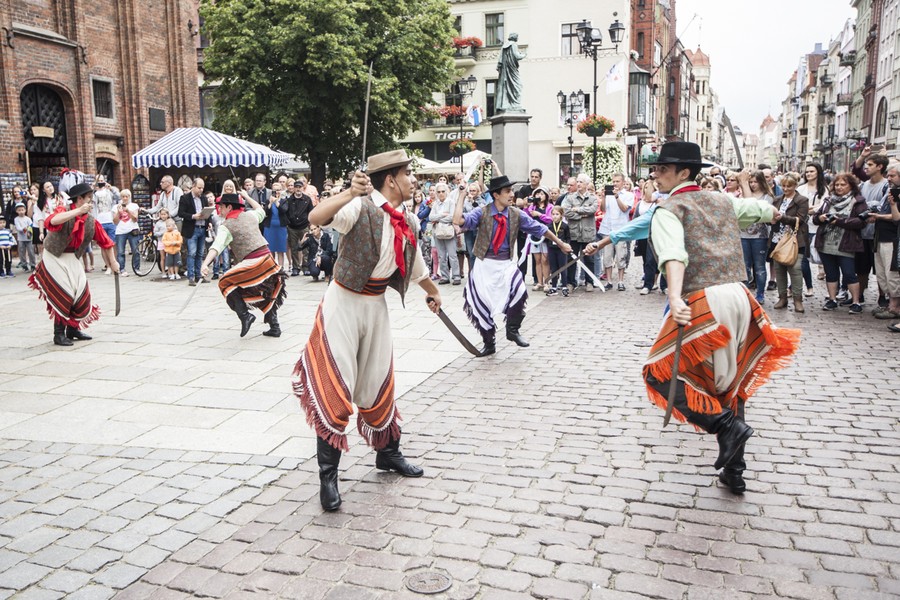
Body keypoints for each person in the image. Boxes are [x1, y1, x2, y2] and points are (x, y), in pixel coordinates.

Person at [641, 142, 799, 495]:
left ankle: (724, 425)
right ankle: (735, 469)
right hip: (740, 296)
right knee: (732, 383)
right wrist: (775, 213)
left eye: (663, 169)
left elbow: (674, 256)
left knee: (658, 373)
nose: (656, 173)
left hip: (705, 298)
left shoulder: (669, 210)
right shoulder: (723, 201)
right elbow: (761, 209)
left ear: (684, 173)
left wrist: (673, 296)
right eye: (657, 168)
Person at [292, 150, 442, 512]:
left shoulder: (407, 217)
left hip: (375, 306)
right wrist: (347, 192)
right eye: (408, 174)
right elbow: (316, 216)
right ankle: (328, 476)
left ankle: (387, 454)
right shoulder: (360, 206)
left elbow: (415, 263)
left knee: (378, 380)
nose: (413, 180)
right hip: (343, 303)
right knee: (338, 382)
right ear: (390, 179)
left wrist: (432, 292)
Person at [453, 173, 572, 356]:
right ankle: (489, 342)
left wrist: (561, 243)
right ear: (496, 195)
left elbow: (540, 228)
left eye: (512, 191)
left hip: (506, 264)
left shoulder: (516, 214)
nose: (511, 195)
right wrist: (461, 195)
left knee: (519, 291)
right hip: (484, 265)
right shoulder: (482, 212)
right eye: (508, 191)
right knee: (481, 305)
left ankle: (512, 329)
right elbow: (458, 221)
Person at [28, 182, 119, 346]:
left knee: (81, 292)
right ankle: (58, 334)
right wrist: (77, 211)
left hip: (71, 257)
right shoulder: (64, 210)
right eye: (88, 198)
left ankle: (72, 329)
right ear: (79, 199)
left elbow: (106, 242)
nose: (91, 202)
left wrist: (113, 263)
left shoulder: (90, 221)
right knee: (65, 292)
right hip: (54, 255)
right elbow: (52, 221)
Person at [201, 191, 287, 338]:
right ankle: (275, 326)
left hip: (254, 262)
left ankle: (245, 315)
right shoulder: (250, 216)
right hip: (267, 259)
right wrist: (247, 196)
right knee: (264, 291)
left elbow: (217, 246)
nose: (219, 209)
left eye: (221, 206)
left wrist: (205, 263)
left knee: (225, 282)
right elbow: (260, 209)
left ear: (229, 207)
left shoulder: (226, 226)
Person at [813, 173, 867, 314]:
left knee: (849, 273)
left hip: (847, 243)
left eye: (843, 184)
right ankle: (832, 299)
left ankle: (856, 301)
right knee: (831, 273)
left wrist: (839, 221)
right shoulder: (828, 200)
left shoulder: (857, 201)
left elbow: (861, 222)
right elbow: (815, 218)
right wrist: (821, 217)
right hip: (826, 242)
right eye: (837, 184)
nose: (839, 187)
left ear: (851, 186)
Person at [769, 174, 809, 313]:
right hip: (777, 238)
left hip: (795, 239)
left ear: (795, 185)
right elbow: (771, 217)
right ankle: (782, 297)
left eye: (789, 186)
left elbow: (800, 219)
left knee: (796, 269)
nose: (785, 188)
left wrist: (781, 218)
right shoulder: (777, 199)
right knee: (779, 269)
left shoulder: (802, 200)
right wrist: (770, 219)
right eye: (783, 186)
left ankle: (798, 299)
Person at [738, 170, 773, 303]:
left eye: (755, 182)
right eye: (750, 182)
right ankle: (745, 292)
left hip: (760, 235)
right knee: (745, 265)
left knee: (759, 266)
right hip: (744, 234)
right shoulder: (743, 195)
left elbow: (755, 209)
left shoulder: (767, 196)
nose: (753, 185)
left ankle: (760, 293)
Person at [561, 174, 598, 291]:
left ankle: (589, 282)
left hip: (588, 233)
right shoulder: (570, 198)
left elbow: (593, 210)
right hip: (574, 233)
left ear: (587, 184)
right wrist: (582, 215)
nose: (578, 184)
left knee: (589, 259)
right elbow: (565, 211)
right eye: (577, 181)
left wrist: (577, 209)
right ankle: (571, 282)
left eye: (581, 182)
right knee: (571, 258)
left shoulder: (592, 198)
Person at [598, 173, 634, 292]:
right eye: (613, 181)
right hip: (607, 228)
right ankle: (609, 281)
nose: (615, 184)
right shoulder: (608, 195)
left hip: (621, 229)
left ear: (623, 183)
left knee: (621, 255)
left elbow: (624, 209)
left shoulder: (628, 195)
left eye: (617, 181)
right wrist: (603, 197)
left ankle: (620, 281)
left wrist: (617, 196)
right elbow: (603, 209)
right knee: (607, 256)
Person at [797, 163, 828, 291]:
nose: (809, 174)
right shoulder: (801, 188)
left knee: (823, 259)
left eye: (812, 171)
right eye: (807, 171)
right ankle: (809, 287)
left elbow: (823, 206)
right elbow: (797, 205)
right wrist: (808, 209)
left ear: (818, 173)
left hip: (817, 228)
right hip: (803, 227)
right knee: (802, 259)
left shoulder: (824, 189)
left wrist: (809, 209)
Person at [177, 178, 208, 286]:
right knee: (192, 253)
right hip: (192, 228)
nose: (201, 190)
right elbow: (180, 213)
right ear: (193, 186)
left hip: (202, 227)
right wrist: (193, 216)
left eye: (202, 188)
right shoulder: (185, 198)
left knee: (200, 254)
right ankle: (191, 276)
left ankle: (199, 275)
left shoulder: (203, 198)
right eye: (199, 188)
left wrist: (207, 217)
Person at [428, 183, 460, 285]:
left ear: (446, 191)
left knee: (452, 255)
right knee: (441, 256)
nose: (441, 193)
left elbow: (452, 217)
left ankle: (456, 276)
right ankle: (445, 276)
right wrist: (442, 215)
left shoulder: (451, 202)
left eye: (443, 191)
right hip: (438, 232)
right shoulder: (435, 204)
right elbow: (431, 217)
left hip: (449, 232)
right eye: (439, 192)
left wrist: (438, 219)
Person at [526, 186, 553, 290]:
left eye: (542, 194)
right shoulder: (532, 207)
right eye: (537, 194)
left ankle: (547, 282)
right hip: (535, 236)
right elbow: (527, 218)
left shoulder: (550, 207)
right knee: (537, 260)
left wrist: (540, 215)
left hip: (546, 235)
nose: (539, 196)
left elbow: (550, 219)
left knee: (545, 259)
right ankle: (539, 282)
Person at [286, 181, 314, 277]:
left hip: (304, 226)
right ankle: (295, 267)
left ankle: (305, 267)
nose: (298, 189)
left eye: (300, 187)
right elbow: (285, 212)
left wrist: (310, 225)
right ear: (294, 188)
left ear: (303, 188)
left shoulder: (307, 199)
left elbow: (311, 212)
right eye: (296, 187)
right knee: (294, 248)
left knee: (306, 248)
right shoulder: (289, 199)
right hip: (292, 227)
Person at [113, 189, 140, 276]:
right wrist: (118, 212)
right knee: (120, 251)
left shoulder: (134, 206)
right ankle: (122, 269)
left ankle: (137, 268)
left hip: (132, 230)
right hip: (120, 231)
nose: (125, 198)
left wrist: (127, 210)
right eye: (123, 196)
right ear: (120, 197)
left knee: (135, 250)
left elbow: (135, 219)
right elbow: (115, 222)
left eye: (126, 196)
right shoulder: (115, 207)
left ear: (129, 197)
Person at [545, 205, 570, 296]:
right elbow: (546, 238)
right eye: (553, 214)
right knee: (554, 268)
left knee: (563, 267)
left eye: (557, 214)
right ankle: (554, 286)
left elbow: (568, 238)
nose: (555, 216)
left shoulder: (565, 226)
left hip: (561, 250)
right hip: (552, 249)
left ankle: (564, 286)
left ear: (561, 215)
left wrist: (566, 245)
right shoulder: (549, 226)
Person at [13, 203, 36, 271]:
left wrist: (28, 230)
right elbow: (18, 228)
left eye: (22, 210)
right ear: (16, 211)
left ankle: (32, 264)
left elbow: (31, 226)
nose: (21, 211)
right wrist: (25, 228)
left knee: (31, 252)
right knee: (22, 252)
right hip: (21, 238)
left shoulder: (28, 219)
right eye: (19, 210)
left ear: (25, 210)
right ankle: (24, 264)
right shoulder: (16, 219)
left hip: (29, 238)